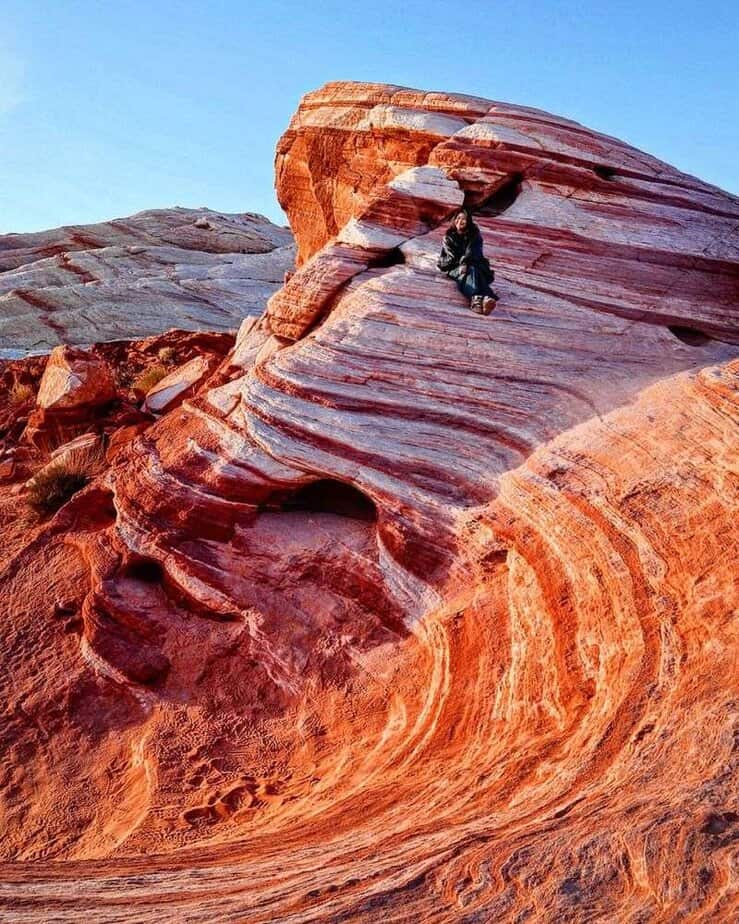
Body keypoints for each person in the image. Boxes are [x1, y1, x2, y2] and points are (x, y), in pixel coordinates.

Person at [437, 209, 498, 314]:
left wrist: (465, 263)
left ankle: (478, 301)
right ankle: (480, 298)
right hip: (452, 266)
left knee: (473, 270)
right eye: (458, 218)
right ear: (454, 220)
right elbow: (452, 257)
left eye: (464, 219)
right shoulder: (448, 236)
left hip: (474, 263)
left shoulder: (474, 234)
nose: (460, 221)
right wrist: (462, 264)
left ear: (468, 221)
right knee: (469, 272)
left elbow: (474, 251)